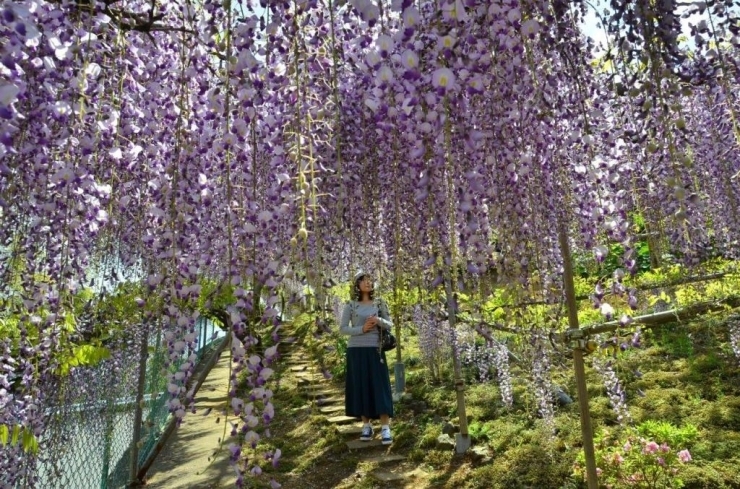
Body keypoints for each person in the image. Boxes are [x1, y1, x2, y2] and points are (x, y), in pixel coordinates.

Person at [339, 271, 394, 445]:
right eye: (363, 280)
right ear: (357, 284)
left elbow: (390, 324)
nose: (367, 283)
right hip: (356, 350)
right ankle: (366, 425)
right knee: (361, 386)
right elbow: (343, 329)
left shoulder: (379, 303)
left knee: (380, 385)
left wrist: (378, 320)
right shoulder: (351, 305)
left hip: (375, 349)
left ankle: (385, 428)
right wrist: (361, 329)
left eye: (370, 280)